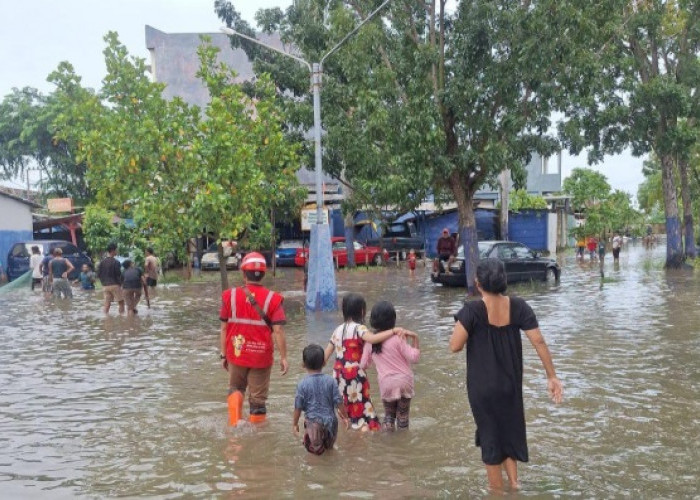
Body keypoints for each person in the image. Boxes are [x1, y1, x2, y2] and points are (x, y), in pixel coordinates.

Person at [449, 258, 563, 492]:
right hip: (510, 384)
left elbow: (455, 346)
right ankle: (514, 484)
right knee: (508, 431)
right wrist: (552, 376)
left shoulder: (472, 310)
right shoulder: (519, 306)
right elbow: (538, 341)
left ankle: (497, 492)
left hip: (483, 389)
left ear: (478, 282)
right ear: (503, 280)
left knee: (491, 440)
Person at [219, 252, 288, 424]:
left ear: (243, 273)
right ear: (263, 274)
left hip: (237, 353)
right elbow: (278, 330)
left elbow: (223, 328)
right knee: (257, 400)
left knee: (235, 388)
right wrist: (284, 357)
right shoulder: (274, 299)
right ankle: (257, 439)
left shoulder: (229, 296)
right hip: (260, 357)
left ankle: (234, 428)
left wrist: (223, 354)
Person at [323, 293, 396, 431]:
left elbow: (325, 358)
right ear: (362, 311)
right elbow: (373, 339)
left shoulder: (337, 330)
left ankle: (350, 438)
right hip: (355, 374)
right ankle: (364, 439)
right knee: (363, 410)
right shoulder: (359, 328)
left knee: (347, 409)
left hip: (338, 376)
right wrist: (393, 331)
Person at [360, 301, 420, 431]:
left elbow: (363, 365)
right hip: (404, 382)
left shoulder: (370, 343)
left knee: (388, 416)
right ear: (393, 320)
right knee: (403, 416)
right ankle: (403, 444)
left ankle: (388, 445)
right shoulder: (398, 339)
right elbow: (414, 358)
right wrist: (415, 339)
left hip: (386, 383)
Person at [293, 344, 349, 455]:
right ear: (324, 362)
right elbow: (339, 402)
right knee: (329, 450)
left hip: (314, 425)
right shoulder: (331, 381)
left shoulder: (302, 384)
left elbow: (298, 407)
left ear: (303, 364)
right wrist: (346, 417)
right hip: (331, 423)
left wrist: (295, 424)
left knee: (315, 454)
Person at [98, 242, 125, 315]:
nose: (117, 251)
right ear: (113, 251)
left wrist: (103, 283)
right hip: (115, 285)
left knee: (107, 304)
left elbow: (99, 275)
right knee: (121, 302)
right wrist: (121, 284)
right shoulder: (116, 262)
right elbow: (118, 274)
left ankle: (106, 318)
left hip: (105, 286)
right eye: (116, 250)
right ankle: (122, 317)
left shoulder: (102, 262)